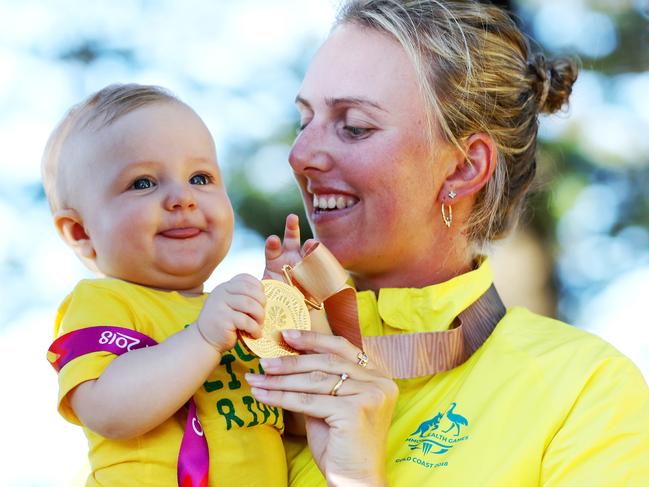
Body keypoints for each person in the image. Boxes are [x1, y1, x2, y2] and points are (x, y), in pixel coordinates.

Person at [245, 1, 649, 486]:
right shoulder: (224, 354)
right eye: (304, 121)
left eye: (355, 127)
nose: (300, 155)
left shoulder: (582, 391)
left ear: (464, 167)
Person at [41, 84, 287, 486]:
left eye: (200, 177)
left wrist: (291, 312)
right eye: (143, 183)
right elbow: (109, 410)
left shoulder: (231, 313)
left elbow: (296, 423)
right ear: (81, 231)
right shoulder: (103, 302)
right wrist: (205, 339)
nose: (182, 198)